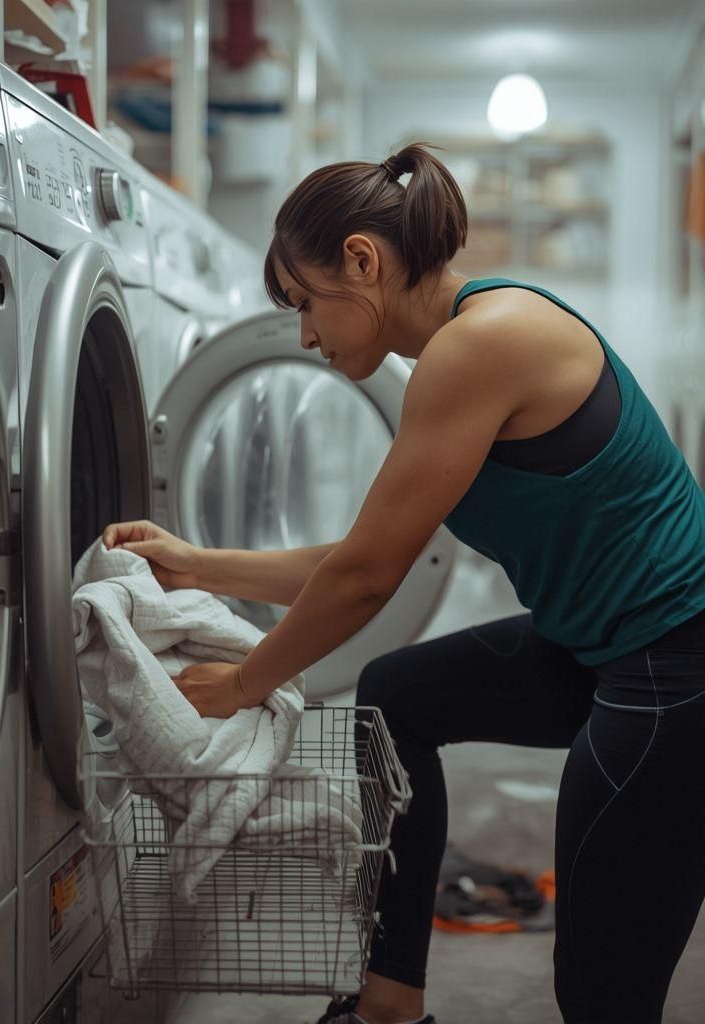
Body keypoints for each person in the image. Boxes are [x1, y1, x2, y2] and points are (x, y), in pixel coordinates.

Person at [103, 142, 705, 1024]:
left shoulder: (483, 342)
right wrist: (199, 563)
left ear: (363, 259)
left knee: (601, 995)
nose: (306, 335)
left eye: (309, 304)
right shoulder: (458, 353)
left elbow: (367, 578)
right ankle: (389, 1005)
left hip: (675, 671)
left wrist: (242, 684)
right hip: (603, 648)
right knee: (399, 695)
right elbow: (365, 552)